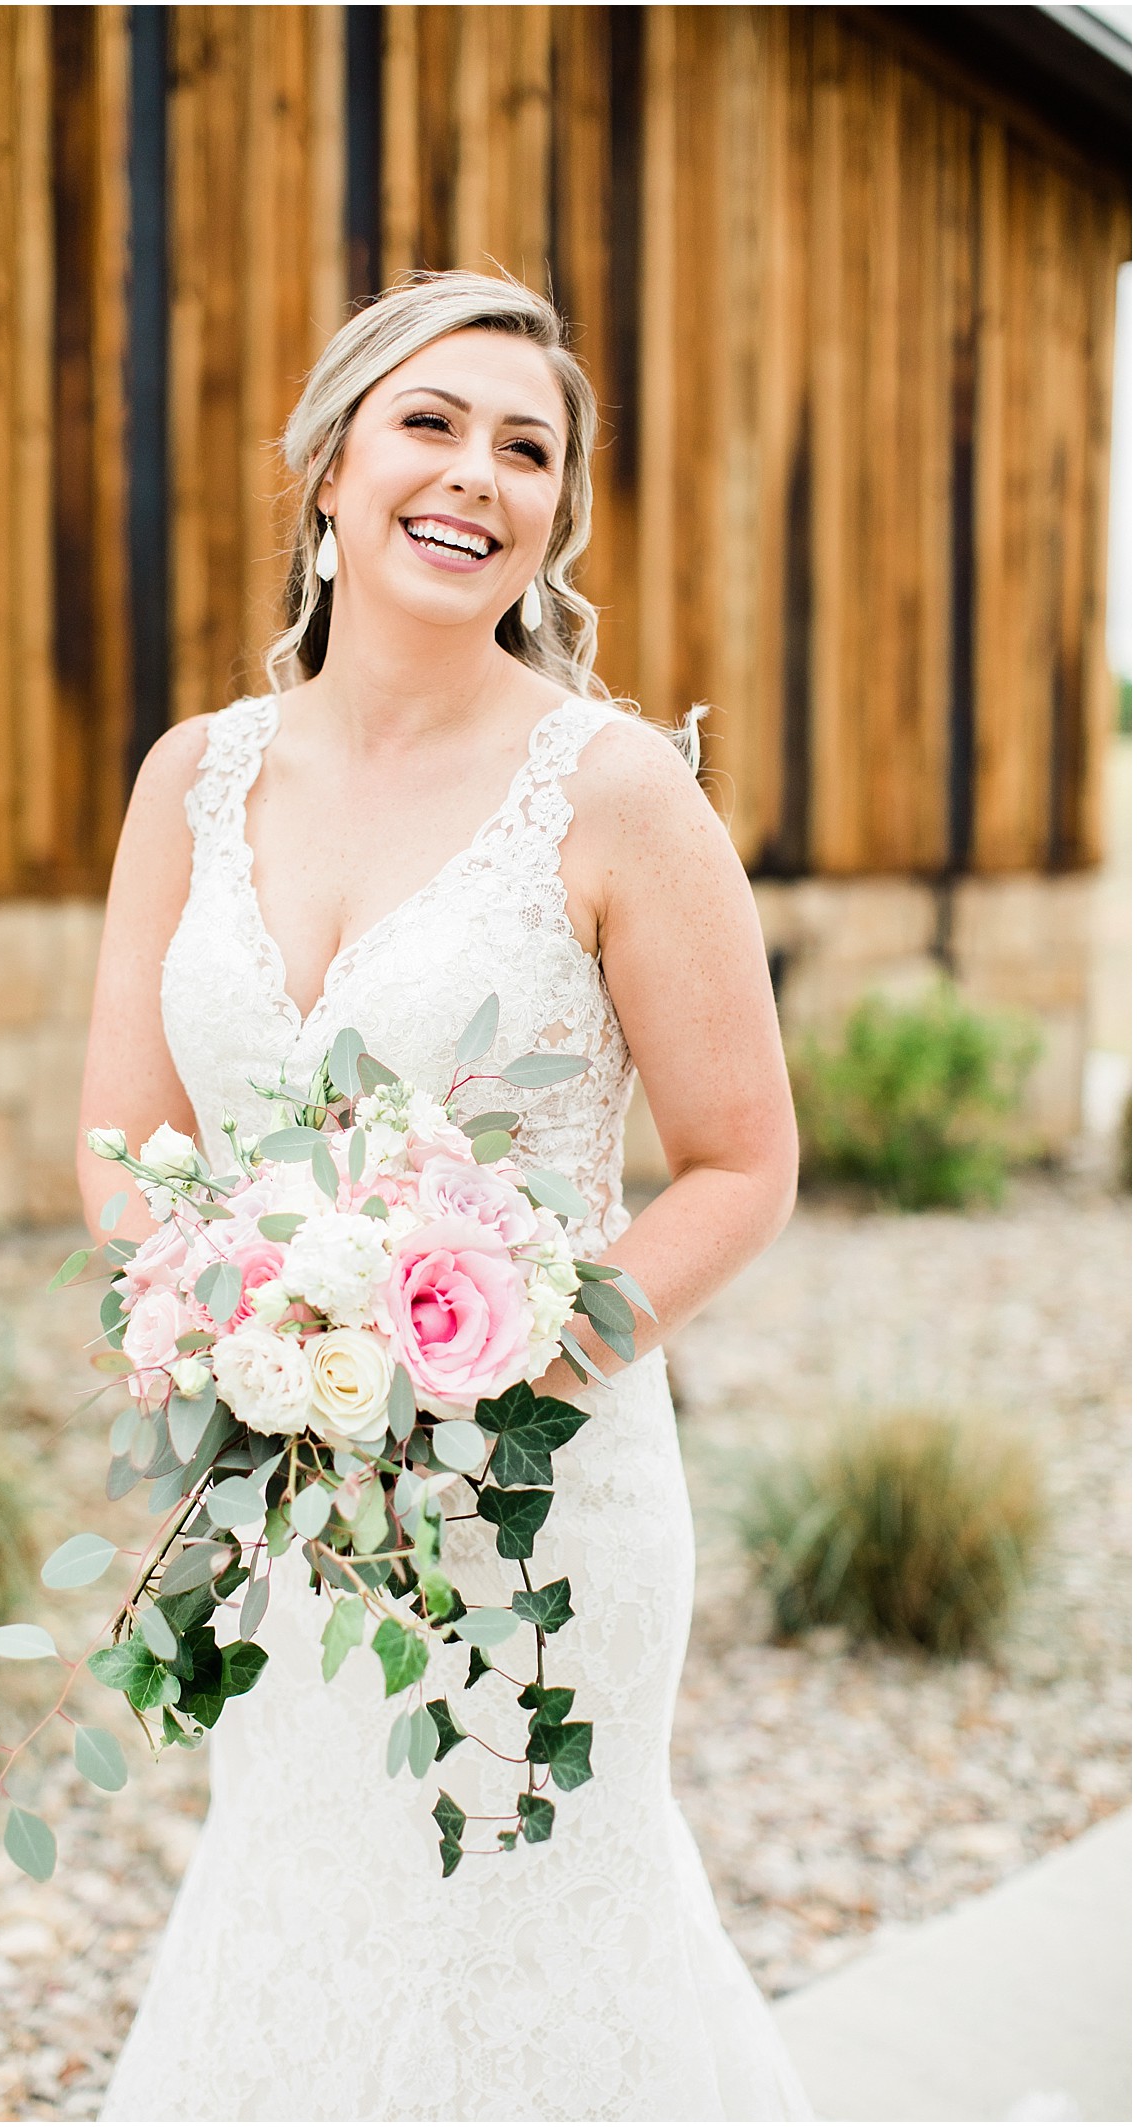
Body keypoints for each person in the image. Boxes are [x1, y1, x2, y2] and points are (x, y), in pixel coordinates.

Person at [82, 270, 814, 2123]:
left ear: (554, 513)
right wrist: (238, 1358)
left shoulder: (614, 790)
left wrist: (503, 1385)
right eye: (431, 422)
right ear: (330, 467)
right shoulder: (191, 782)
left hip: (542, 1501)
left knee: (528, 1926)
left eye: (527, 448)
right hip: (286, 1494)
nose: (476, 473)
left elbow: (741, 1162)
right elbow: (124, 1156)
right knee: (300, 1900)